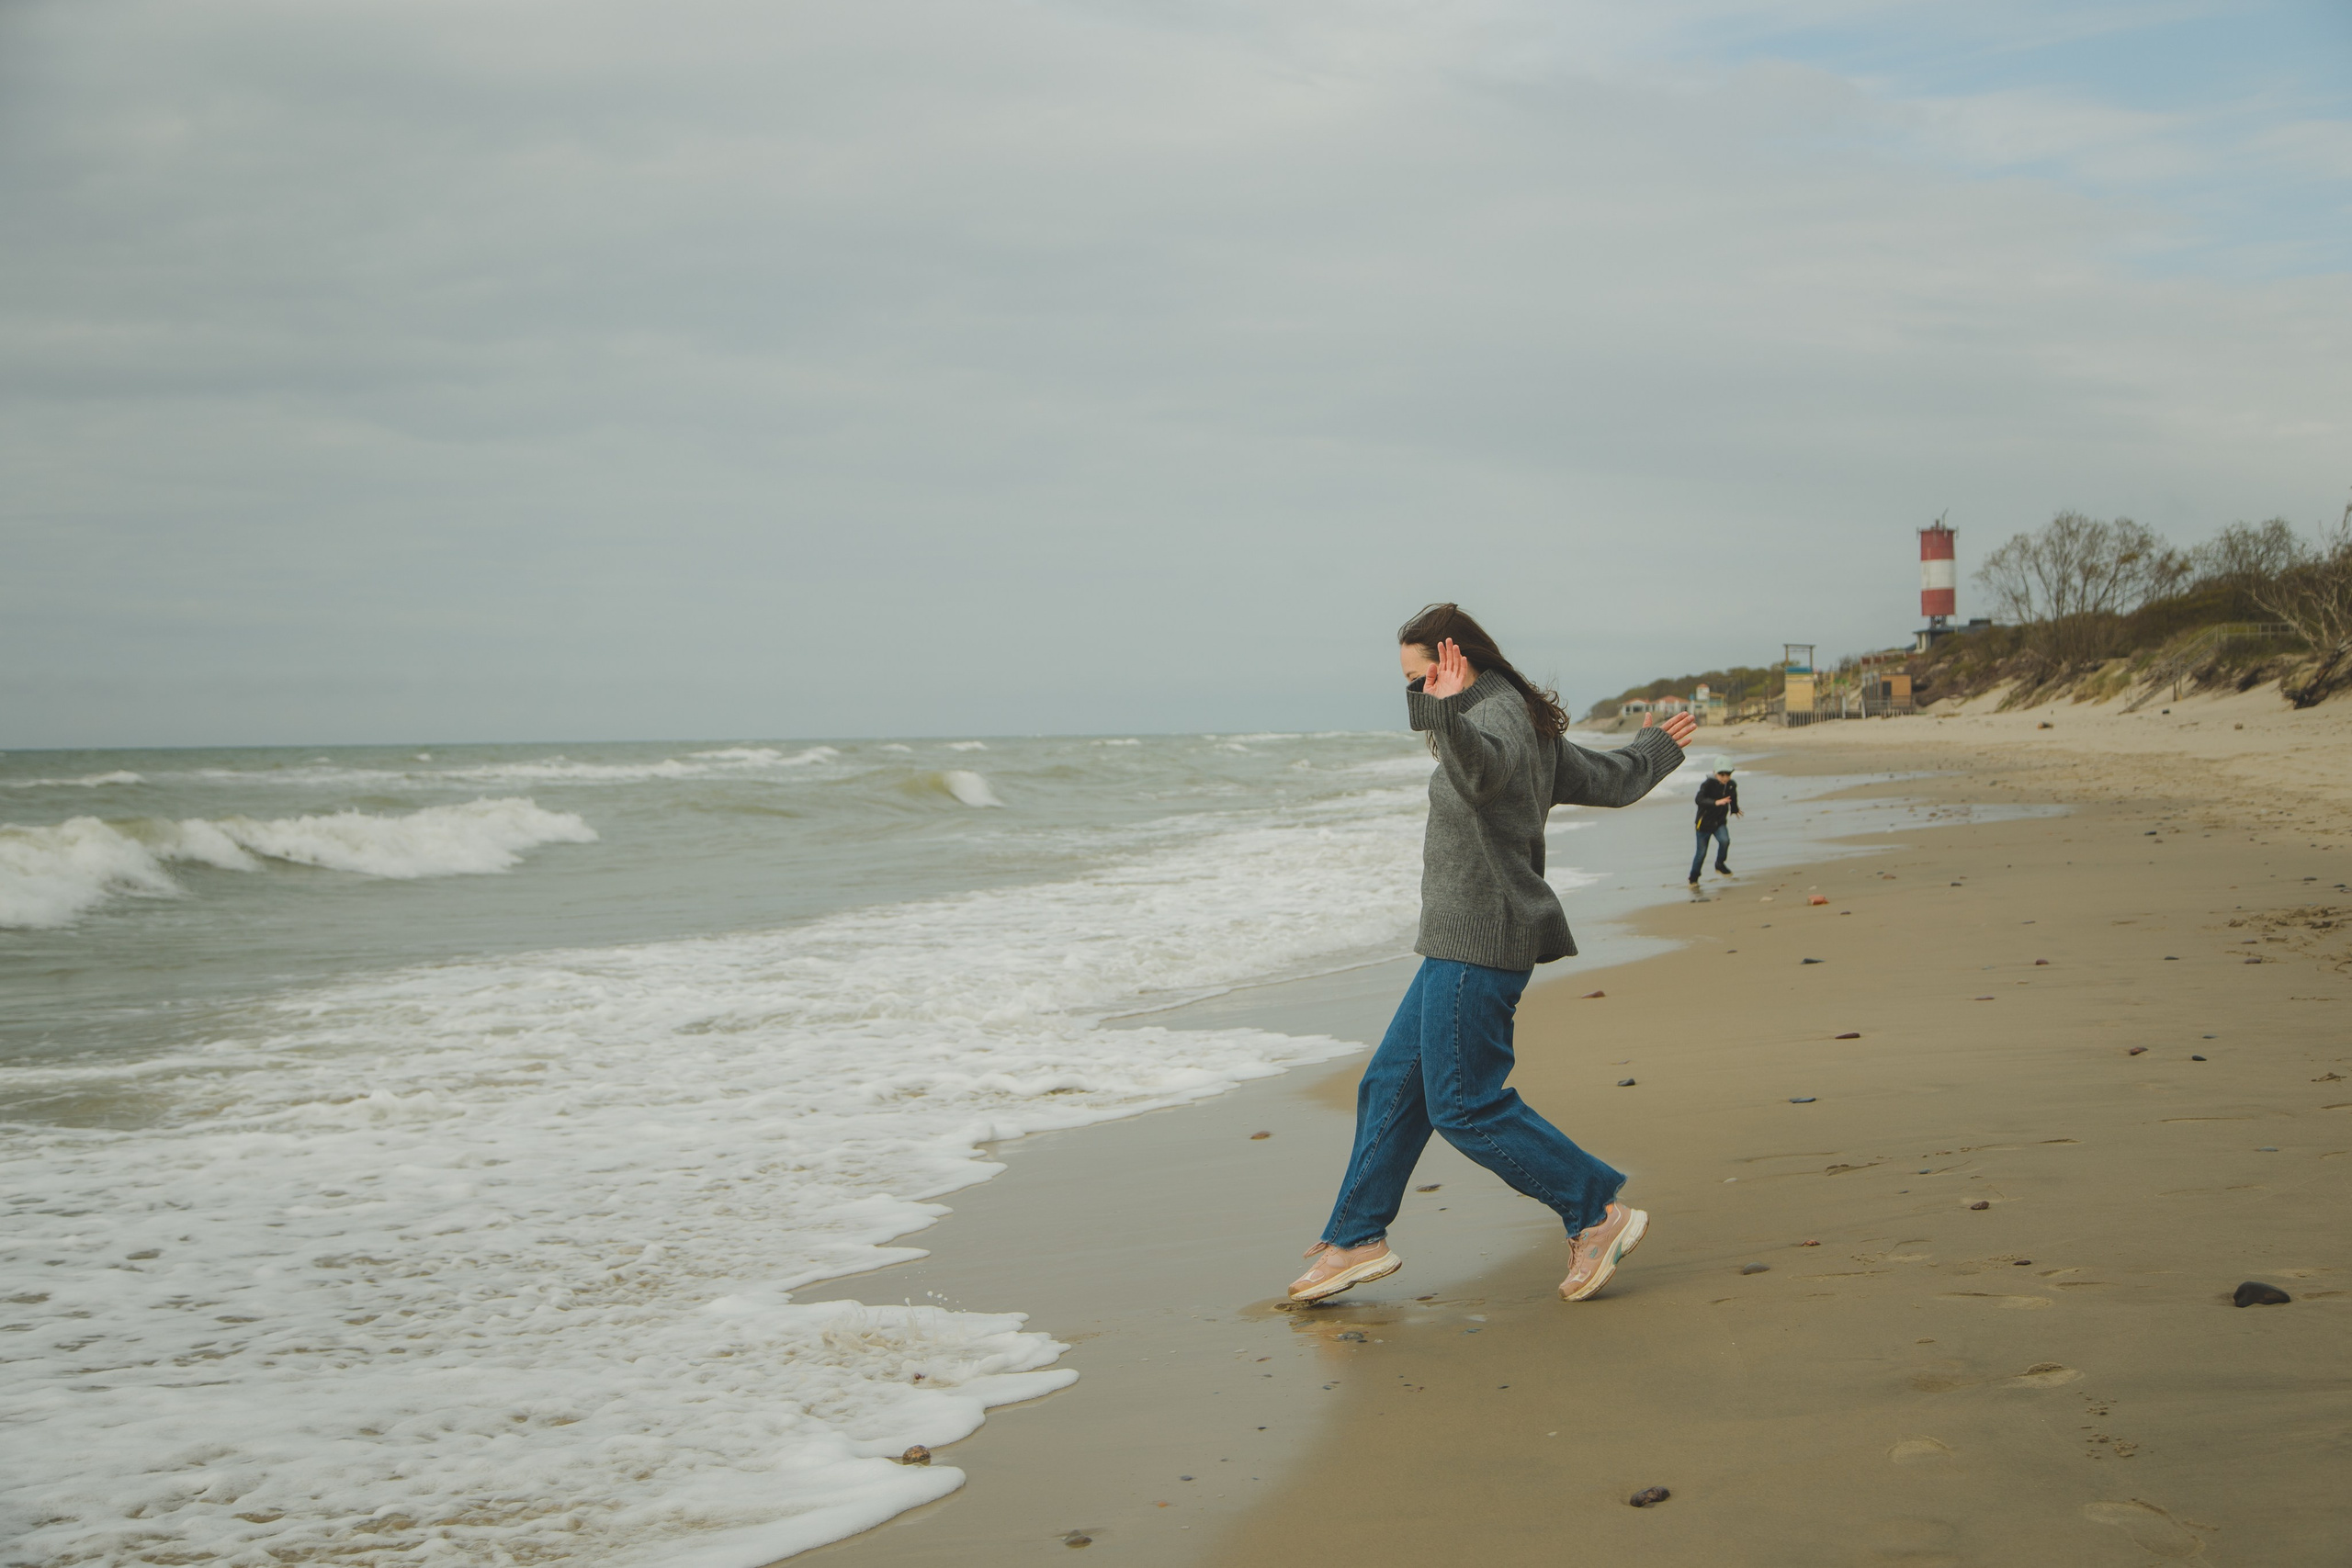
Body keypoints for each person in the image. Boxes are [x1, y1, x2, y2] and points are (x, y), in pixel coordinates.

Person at [1290, 604, 1694, 1306]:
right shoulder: (1505, 718)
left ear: (1454, 659)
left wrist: (1447, 718)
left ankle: (1596, 1211)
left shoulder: (1494, 720)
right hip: (1458, 938)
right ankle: (1356, 1235)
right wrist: (1652, 748)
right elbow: (1611, 779)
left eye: (1418, 678)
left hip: (1483, 938)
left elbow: (1485, 775)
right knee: (1390, 1085)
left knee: (1464, 1105)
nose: (1413, 696)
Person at [1688, 762, 1741, 886]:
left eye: (1727, 774)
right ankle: (1693, 878)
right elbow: (1699, 799)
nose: (1724, 777)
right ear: (1715, 773)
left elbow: (1732, 798)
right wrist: (1716, 802)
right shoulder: (1707, 784)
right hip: (1703, 825)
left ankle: (1719, 864)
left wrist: (1735, 809)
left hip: (1719, 822)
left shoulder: (1731, 785)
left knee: (1725, 841)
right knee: (1701, 853)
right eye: (1721, 774)